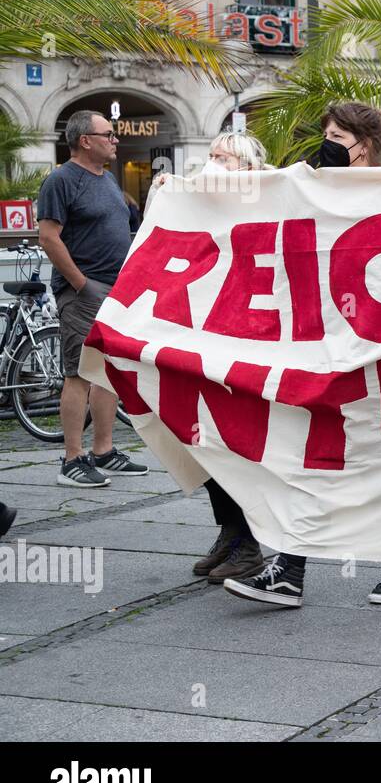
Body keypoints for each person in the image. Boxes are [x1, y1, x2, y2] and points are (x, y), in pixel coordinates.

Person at [224, 103, 381, 606]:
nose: (328, 144)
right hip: (326, 340)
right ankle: (290, 570)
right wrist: (181, 194)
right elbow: (256, 201)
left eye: (337, 135)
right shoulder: (316, 184)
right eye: (327, 135)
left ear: (365, 141)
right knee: (312, 452)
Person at [150, 133, 273, 585]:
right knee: (205, 440)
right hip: (207, 337)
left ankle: (248, 543)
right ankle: (232, 533)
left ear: (249, 167)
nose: (214, 164)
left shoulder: (269, 200)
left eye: (224, 158)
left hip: (249, 341)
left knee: (235, 443)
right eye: (212, 156)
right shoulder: (203, 201)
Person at [36, 110, 149, 488]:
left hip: (116, 290)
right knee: (79, 373)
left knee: (107, 371)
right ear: (85, 140)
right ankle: (72, 459)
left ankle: (104, 451)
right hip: (85, 291)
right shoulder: (61, 180)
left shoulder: (106, 179)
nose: (115, 140)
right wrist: (81, 284)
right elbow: (49, 237)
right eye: (109, 134)